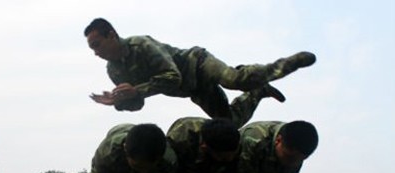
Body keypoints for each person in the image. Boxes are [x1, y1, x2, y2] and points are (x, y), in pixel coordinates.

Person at [84, 18, 315, 123]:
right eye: (92, 48)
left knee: (235, 80)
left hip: (198, 64)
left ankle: (286, 65)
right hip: (193, 89)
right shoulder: (114, 71)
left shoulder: (141, 45)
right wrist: (119, 102)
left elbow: (172, 77)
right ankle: (258, 92)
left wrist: (137, 90)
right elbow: (137, 104)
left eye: (97, 44)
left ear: (111, 35)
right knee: (227, 125)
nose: (96, 52)